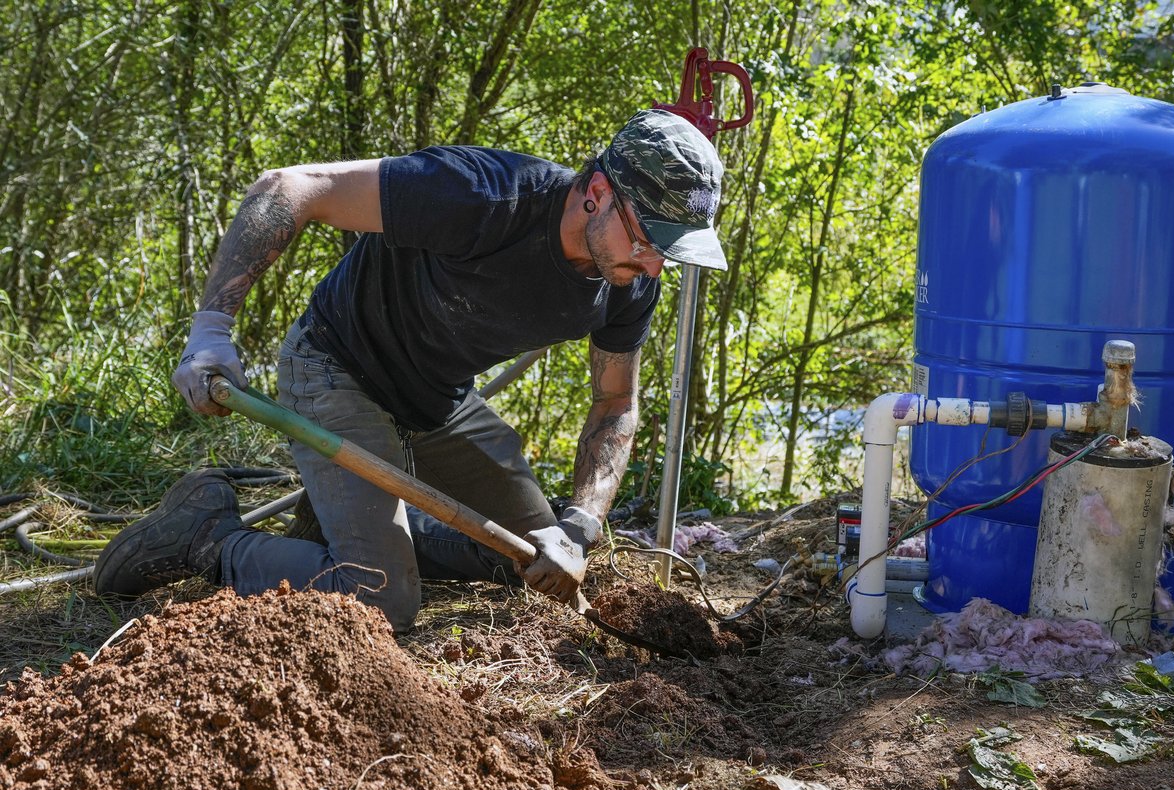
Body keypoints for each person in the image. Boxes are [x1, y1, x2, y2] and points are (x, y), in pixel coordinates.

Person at [94, 109, 727, 632]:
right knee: (382, 602)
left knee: (535, 559)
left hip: (437, 400)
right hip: (338, 368)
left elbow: (616, 403)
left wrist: (579, 527)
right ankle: (206, 538)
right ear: (596, 195)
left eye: (670, 253)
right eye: (647, 241)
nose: (653, 268)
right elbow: (289, 188)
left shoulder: (628, 284)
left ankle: (362, 526)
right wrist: (211, 331)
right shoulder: (481, 194)